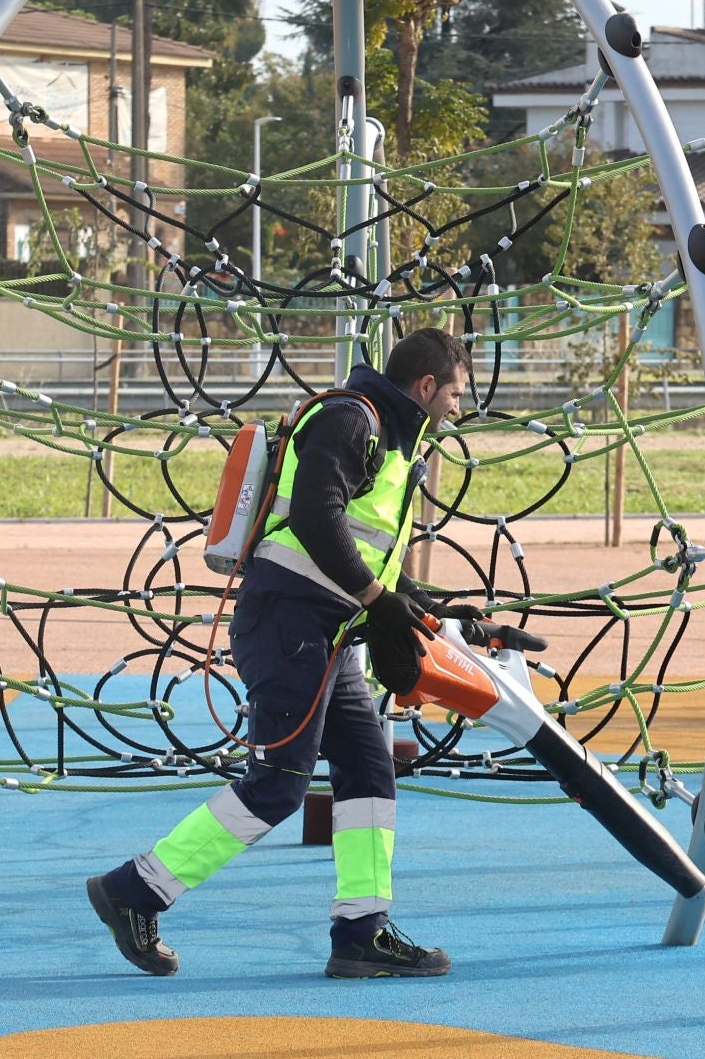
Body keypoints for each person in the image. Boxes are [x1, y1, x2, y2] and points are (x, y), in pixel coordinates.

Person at [87, 327, 479, 979]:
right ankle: (132, 891)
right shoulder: (353, 420)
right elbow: (315, 522)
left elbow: (364, 546)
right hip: (287, 625)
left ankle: (361, 931)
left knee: (368, 772)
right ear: (427, 386)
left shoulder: (393, 443)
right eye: (456, 395)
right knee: (277, 786)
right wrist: (379, 598)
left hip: (324, 634)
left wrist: (420, 603)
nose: (459, 409)